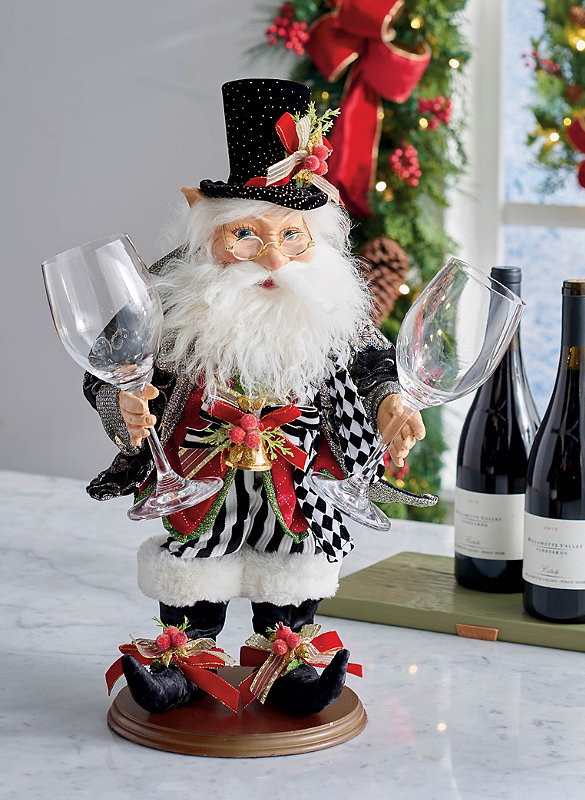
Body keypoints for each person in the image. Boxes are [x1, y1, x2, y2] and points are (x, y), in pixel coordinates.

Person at [84, 78, 433, 716]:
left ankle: (289, 652)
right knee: (194, 563)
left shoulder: (331, 303)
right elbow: (108, 367)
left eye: (292, 235)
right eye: (246, 235)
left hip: (297, 481)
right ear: (207, 228)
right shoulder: (168, 297)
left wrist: (388, 400)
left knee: (293, 563)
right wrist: (123, 407)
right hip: (198, 478)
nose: (273, 258)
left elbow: (372, 361)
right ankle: (183, 655)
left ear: (316, 236)